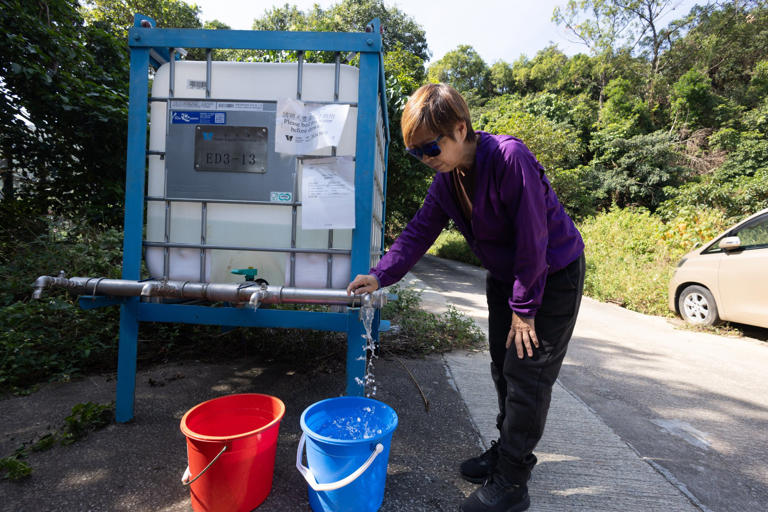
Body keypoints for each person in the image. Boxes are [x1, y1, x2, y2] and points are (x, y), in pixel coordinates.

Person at [347, 82, 585, 512]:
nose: (424, 159)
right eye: (414, 152)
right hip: (506, 275)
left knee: (527, 377)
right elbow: (419, 231)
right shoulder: (448, 179)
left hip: (551, 277)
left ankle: (513, 483)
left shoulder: (511, 158)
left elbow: (535, 236)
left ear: (460, 129)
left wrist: (525, 310)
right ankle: (505, 450)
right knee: (502, 368)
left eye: (429, 148)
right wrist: (380, 276)